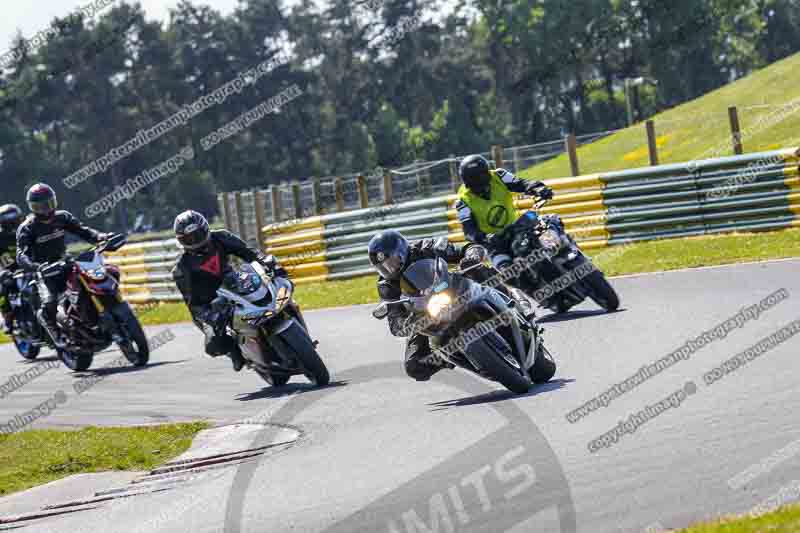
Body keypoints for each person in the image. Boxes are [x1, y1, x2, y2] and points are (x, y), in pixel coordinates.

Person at [171, 210, 289, 372]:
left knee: (274, 284)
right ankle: (235, 352)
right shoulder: (181, 268)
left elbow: (248, 252)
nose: (195, 240)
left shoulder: (220, 237)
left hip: (234, 281)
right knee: (213, 344)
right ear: (181, 241)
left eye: (198, 235)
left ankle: (288, 314)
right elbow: (193, 304)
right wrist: (210, 316)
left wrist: (265, 262)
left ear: (205, 229)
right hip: (210, 302)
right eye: (189, 238)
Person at [368, 229, 489, 381]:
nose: (389, 269)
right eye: (383, 267)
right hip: (425, 314)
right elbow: (394, 321)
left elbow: (466, 248)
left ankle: (513, 299)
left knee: (476, 269)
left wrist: (472, 256)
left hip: (450, 288)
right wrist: (407, 323)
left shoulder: (424, 248)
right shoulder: (386, 285)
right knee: (415, 366)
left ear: (401, 251)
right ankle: (452, 356)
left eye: (391, 262)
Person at [16, 184, 111, 346]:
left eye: (49, 204)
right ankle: (54, 332)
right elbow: (21, 255)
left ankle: (99, 316)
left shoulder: (62, 217)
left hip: (65, 262)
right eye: (41, 206)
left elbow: (83, 231)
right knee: (49, 301)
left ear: (55, 202)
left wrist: (100, 237)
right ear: (32, 207)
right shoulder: (27, 228)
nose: (46, 210)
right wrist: (36, 266)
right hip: (44, 271)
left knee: (94, 278)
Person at [455, 154, 554, 278]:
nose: (482, 189)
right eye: (476, 185)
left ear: (488, 175)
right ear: (467, 184)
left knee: (549, 229)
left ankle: (570, 257)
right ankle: (525, 295)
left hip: (518, 228)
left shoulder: (499, 176)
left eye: (484, 182)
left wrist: (538, 188)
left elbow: (521, 183)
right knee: (507, 273)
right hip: (495, 243)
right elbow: (468, 230)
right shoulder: (462, 201)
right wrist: (484, 237)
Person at [0, 204, 24, 334]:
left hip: (31, 266)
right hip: (9, 270)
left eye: (15, 219)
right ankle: (8, 319)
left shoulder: (27, 229)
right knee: (4, 287)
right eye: (10, 221)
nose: (14, 223)